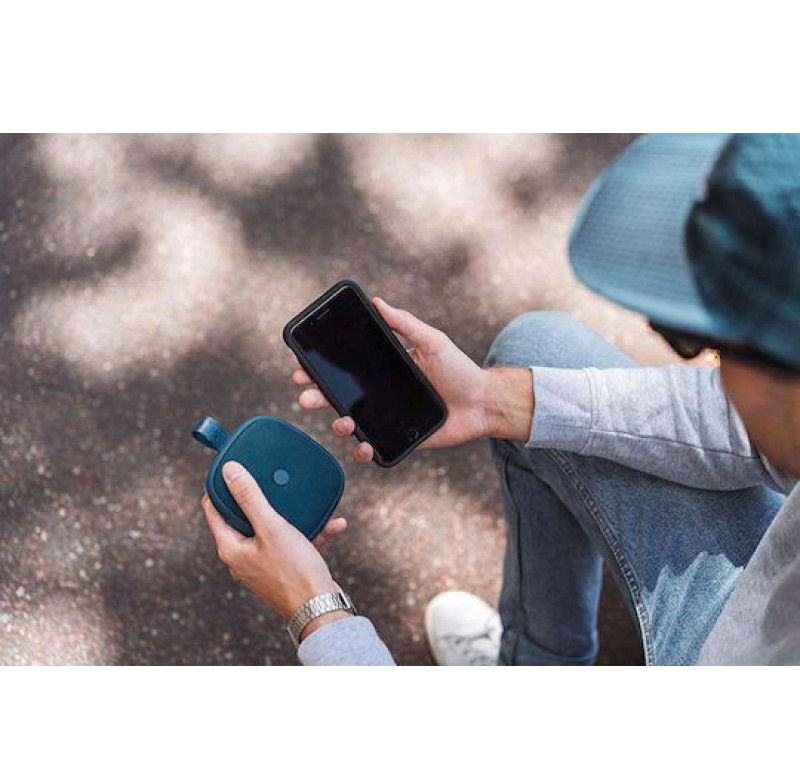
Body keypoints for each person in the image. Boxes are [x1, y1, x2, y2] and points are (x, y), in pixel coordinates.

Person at [202, 134, 800, 666]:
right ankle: (537, 663)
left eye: (710, 347)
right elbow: (733, 420)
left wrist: (316, 611)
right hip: (767, 594)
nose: (715, 374)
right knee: (537, 349)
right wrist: (493, 402)